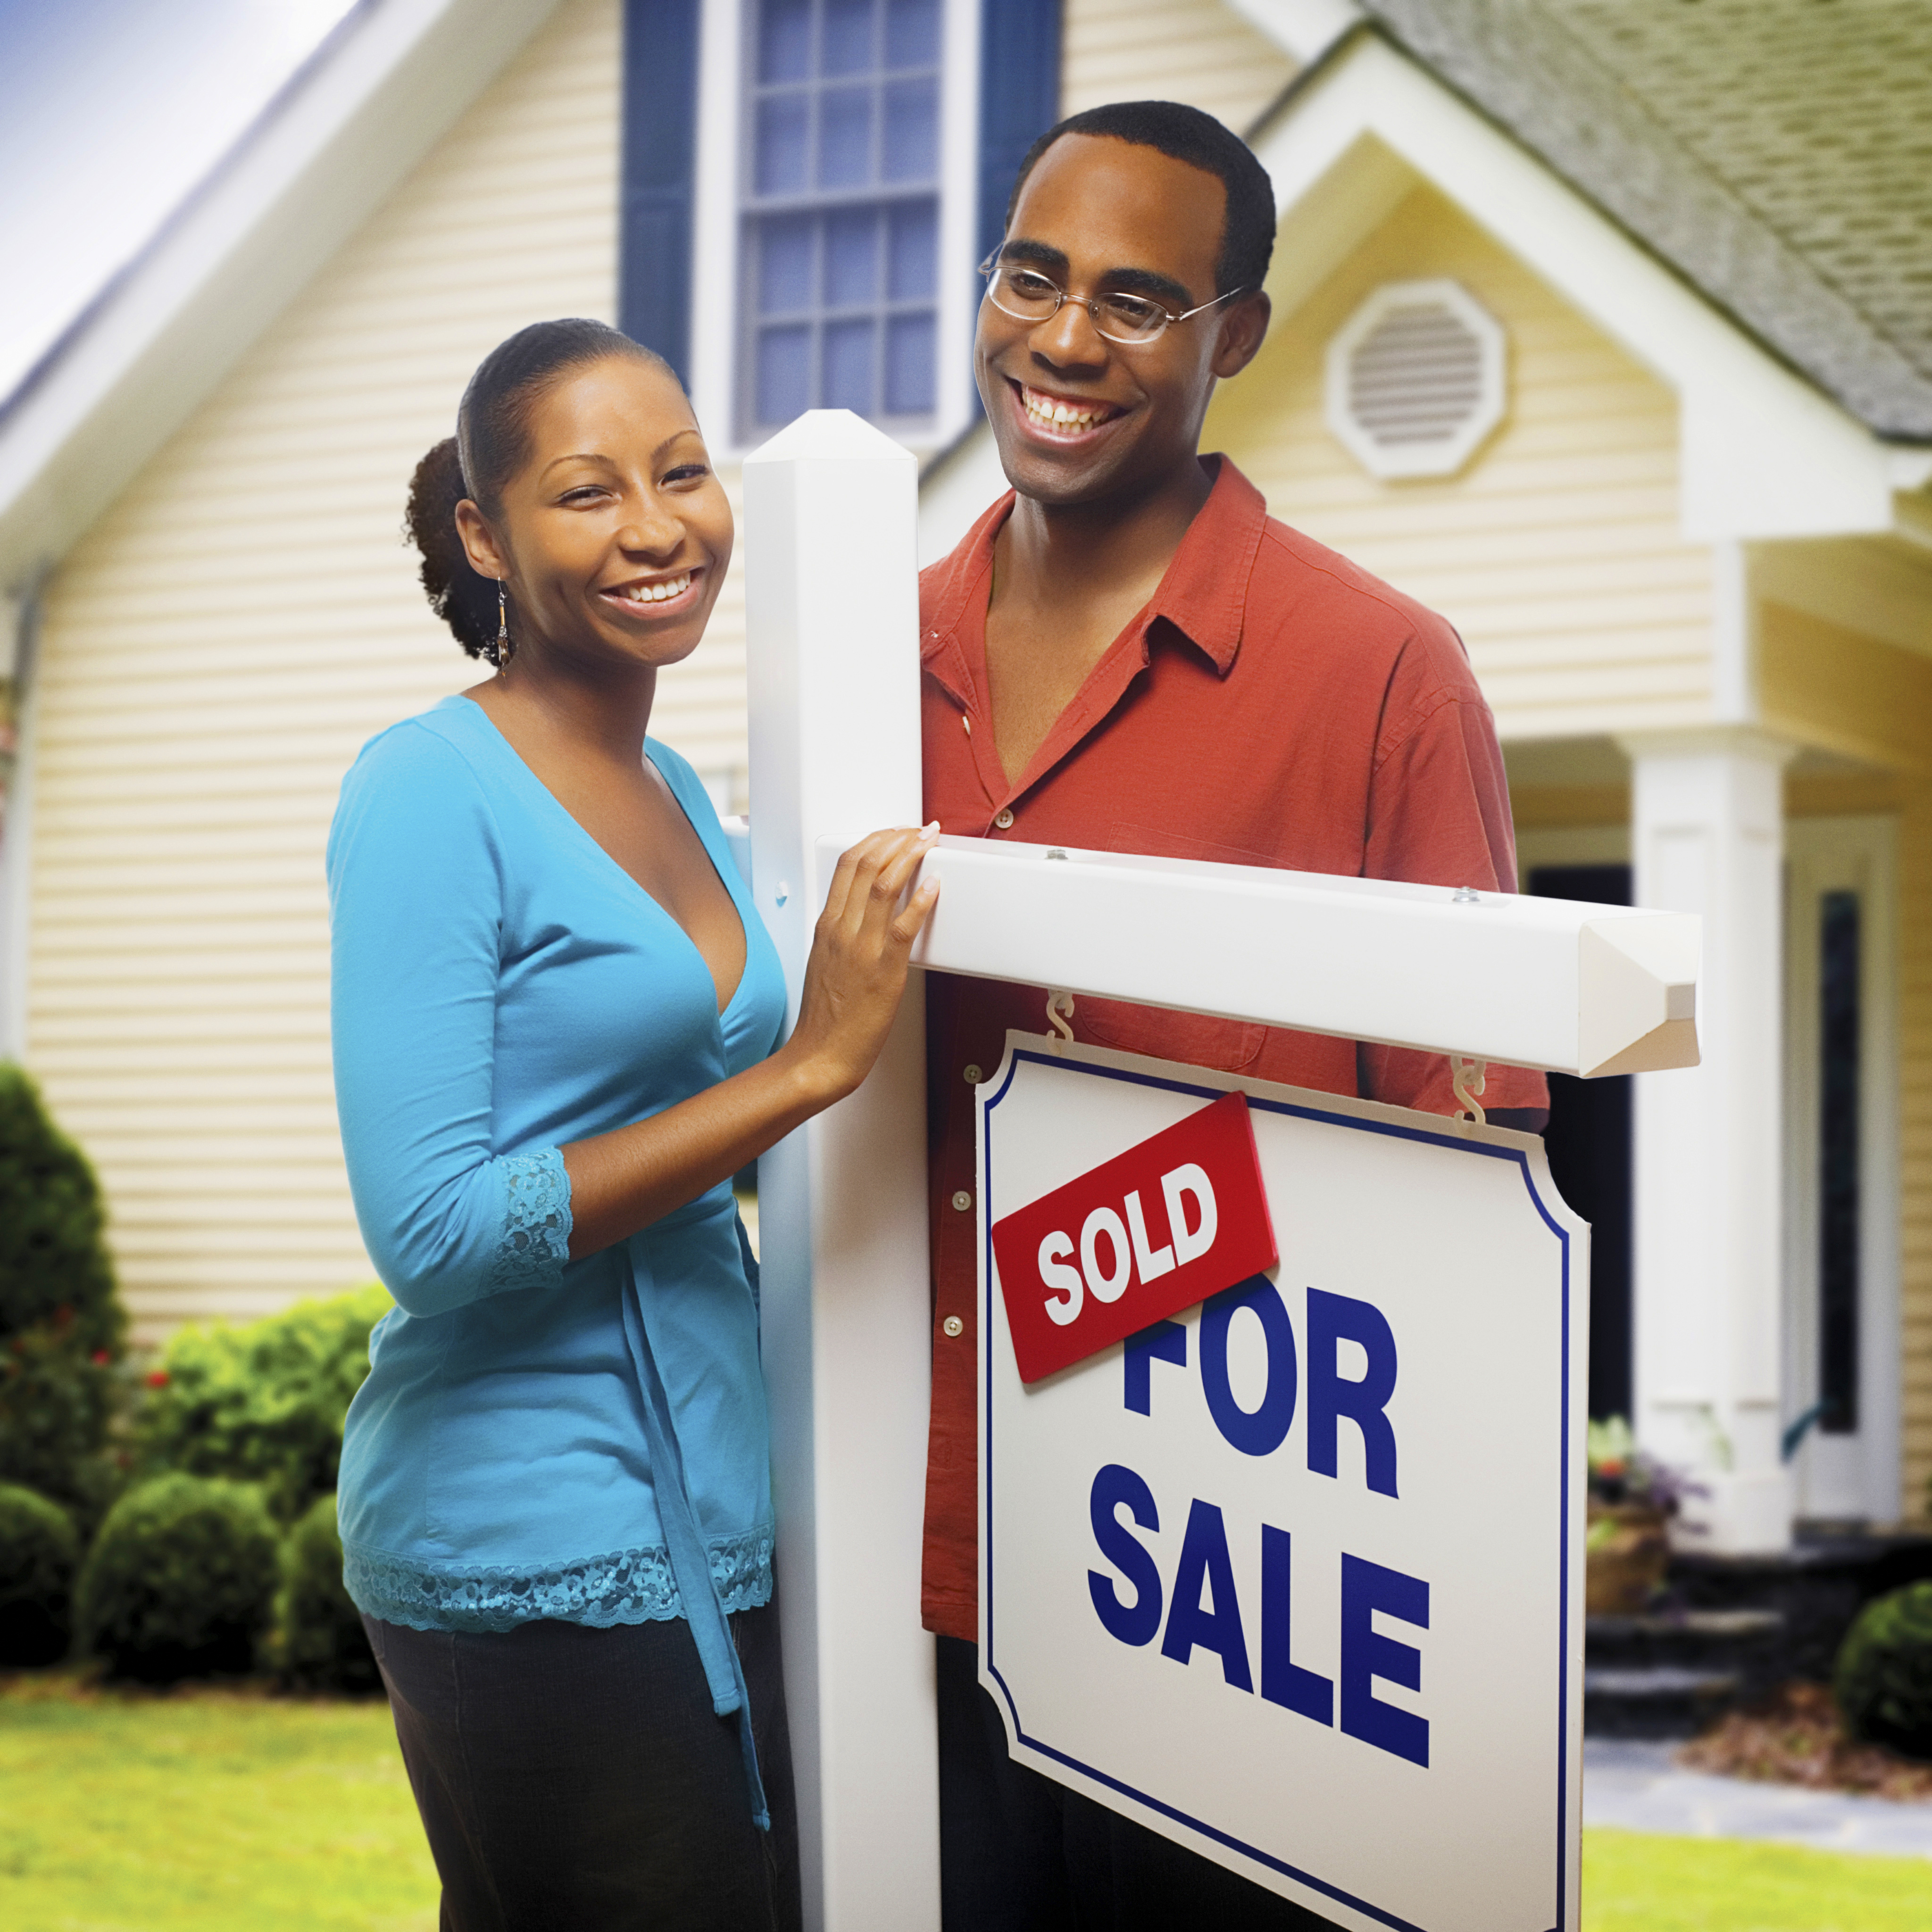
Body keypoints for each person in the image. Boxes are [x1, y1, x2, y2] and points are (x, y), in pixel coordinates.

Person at [918, 103, 1550, 1929]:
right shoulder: (874, 659)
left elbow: (1466, 1185)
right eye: (1030, 278)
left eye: (1137, 301)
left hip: (1240, 1597)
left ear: (1235, 336)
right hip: (917, 1572)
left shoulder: (1381, 675)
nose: (1061, 340)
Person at [328, 317, 939, 1932]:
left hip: (726, 1511)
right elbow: (435, 1229)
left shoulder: (681, 792)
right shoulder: (428, 791)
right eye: (590, 493)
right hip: (522, 1529)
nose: (660, 527)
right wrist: (806, 1071)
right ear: (485, 534)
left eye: (682, 472)